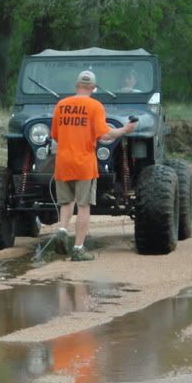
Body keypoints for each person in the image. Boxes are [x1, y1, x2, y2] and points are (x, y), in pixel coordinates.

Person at [51, 70, 136, 261]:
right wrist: (125, 129)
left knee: (66, 203)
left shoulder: (61, 105)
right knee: (83, 205)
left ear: (76, 85)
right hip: (84, 163)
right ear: (93, 88)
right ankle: (78, 249)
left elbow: (55, 135)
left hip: (63, 162)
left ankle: (62, 231)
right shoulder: (95, 106)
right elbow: (104, 135)